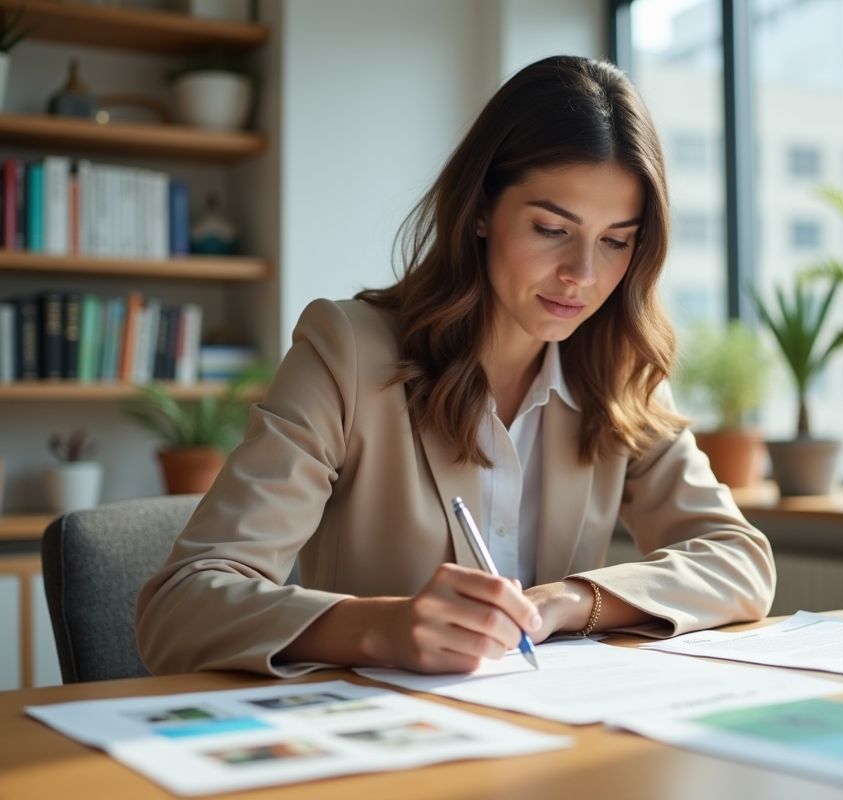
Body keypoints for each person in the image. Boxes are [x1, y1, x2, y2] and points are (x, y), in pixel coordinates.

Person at [136, 55, 775, 678]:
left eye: (615, 241)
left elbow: (740, 560)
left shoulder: (617, 374)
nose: (582, 275)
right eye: (552, 228)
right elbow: (180, 607)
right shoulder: (348, 353)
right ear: (478, 211)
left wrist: (569, 601)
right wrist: (382, 627)